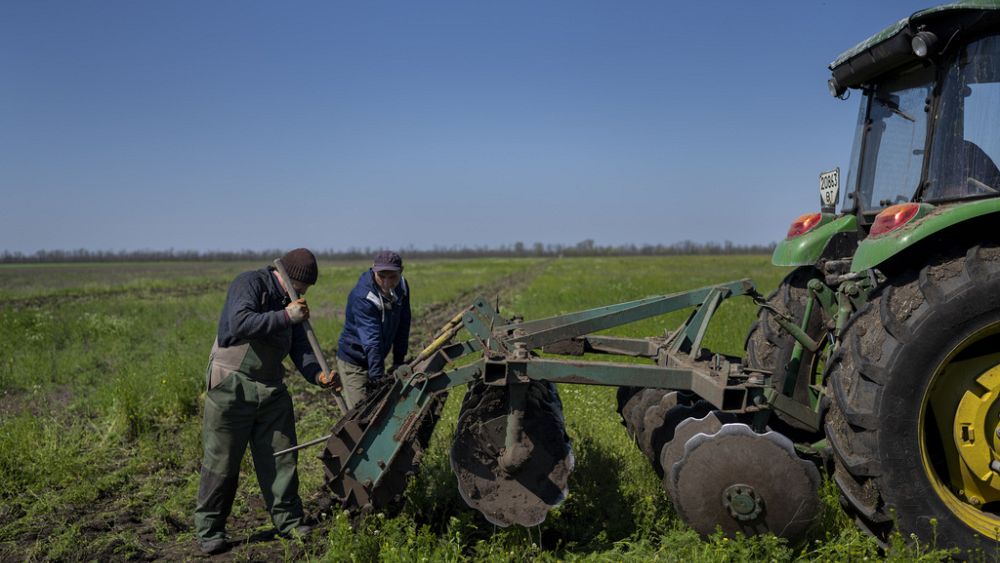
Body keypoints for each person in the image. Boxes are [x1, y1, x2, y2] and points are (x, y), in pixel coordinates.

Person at [193, 248, 336, 555]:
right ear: (282, 275)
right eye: (299, 288)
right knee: (223, 459)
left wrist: (318, 376)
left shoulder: (291, 301)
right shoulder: (249, 283)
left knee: (281, 455)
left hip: (271, 387)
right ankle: (210, 530)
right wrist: (286, 315)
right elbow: (239, 322)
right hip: (232, 383)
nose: (301, 293)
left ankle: (289, 521)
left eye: (305, 290)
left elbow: (301, 348)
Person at [336, 250, 411, 410]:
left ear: (401, 271)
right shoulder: (363, 297)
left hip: (376, 355)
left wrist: (399, 361)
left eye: (392, 277)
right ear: (373, 270)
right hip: (354, 360)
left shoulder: (402, 287)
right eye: (382, 276)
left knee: (381, 409)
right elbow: (372, 341)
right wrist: (377, 378)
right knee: (361, 413)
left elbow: (403, 324)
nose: (386, 282)